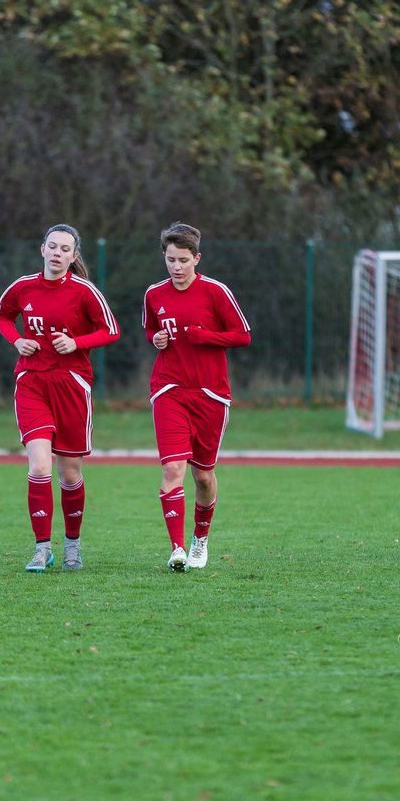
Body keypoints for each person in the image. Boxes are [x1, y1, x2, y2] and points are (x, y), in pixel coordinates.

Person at [0, 224, 120, 572]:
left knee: (70, 473)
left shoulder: (84, 292)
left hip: (71, 385)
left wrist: (77, 343)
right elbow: (2, 316)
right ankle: (41, 548)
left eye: (65, 249)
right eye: (53, 246)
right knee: (38, 466)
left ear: (73, 256)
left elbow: (111, 330)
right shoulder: (22, 286)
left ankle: (73, 546)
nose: (58, 253)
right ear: (42, 249)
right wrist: (17, 341)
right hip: (32, 382)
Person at [142, 222, 251, 572]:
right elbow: (150, 329)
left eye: (183, 260)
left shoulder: (216, 292)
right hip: (168, 389)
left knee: (203, 476)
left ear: (197, 258)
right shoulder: (154, 294)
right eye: (171, 259)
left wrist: (207, 337)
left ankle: (199, 539)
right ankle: (176, 549)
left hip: (210, 395)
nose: (176, 266)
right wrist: (156, 339)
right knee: (173, 468)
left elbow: (242, 336)